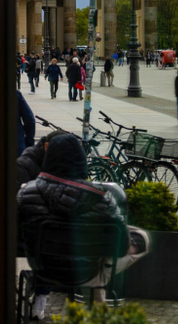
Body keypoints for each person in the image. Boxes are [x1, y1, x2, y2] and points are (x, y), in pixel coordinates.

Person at [17, 135, 150, 318]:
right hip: (88, 273)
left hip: (43, 270)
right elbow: (120, 249)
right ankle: (99, 295)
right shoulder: (103, 199)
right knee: (138, 237)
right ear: (81, 163)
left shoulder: (26, 193)